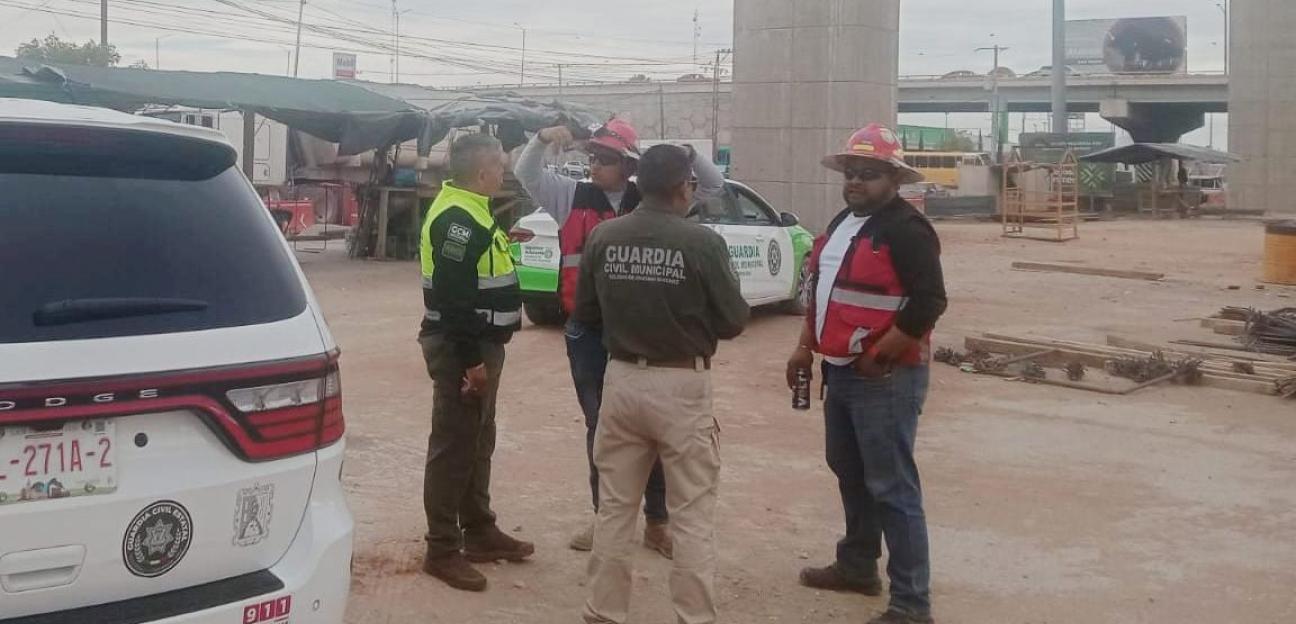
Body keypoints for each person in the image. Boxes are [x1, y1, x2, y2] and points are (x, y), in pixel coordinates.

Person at [515, 119, 726, 556]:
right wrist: (539, 140)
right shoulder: (569, 197)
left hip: (640, 330)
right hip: (588, 333)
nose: (595, 165)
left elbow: (713, 184)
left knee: (655, 432)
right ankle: (604, 519)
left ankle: (656, 522)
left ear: (630, 165)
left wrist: (682, 153)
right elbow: (526, 173)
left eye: (607, 158)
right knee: (601, 428)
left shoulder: (657, 199)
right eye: (593, 157)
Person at [576, 144, 749, 624]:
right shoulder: (702, 243)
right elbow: (734, 320)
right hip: (681, 384)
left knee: (615, 508)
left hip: (623, 379)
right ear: (682, 187)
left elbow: (585, 314)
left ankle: (603, 612)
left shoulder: (604, 237)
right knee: (690, 513)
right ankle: (693, 617)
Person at [785, 123, 947, 624]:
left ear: (894, 179)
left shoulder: (907, 229)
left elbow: (930, 301)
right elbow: (822, 293)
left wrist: (883, 354)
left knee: (892, 486)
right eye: (852, 172)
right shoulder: (842, 223)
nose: (856, 181)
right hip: (841, 370)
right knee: (851, 472)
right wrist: (803, 348)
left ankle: (910, 603)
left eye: (869, 173)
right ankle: (857, 566)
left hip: (884, 378)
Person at [419, 133, 534, 592]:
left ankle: (480, 529)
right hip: (462, 348)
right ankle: (442, 548)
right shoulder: (457, 219)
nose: (504, 175)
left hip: (484, 345)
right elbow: (452, 298)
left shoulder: (473, 212)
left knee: (478, 439)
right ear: (483, 173)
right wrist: (471, 362)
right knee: (453, 446)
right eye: (501, 168)